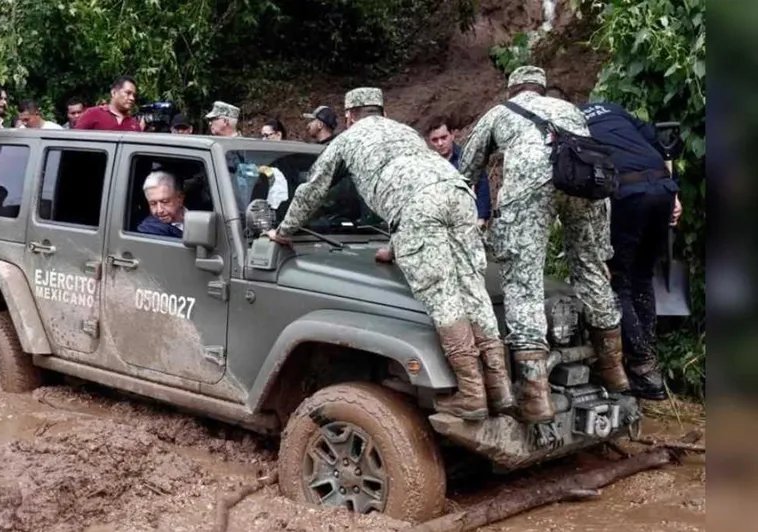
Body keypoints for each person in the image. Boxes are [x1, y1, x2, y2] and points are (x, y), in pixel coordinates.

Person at [266, 87, 513, 420]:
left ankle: (471, 394)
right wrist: (395, 247)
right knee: (472, 288)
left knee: (442, 297)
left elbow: (313, 191)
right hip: (459, 194)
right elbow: (417, 186)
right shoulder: (405, 132)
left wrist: (284, 231)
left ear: (350, 115)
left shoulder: (347, 140)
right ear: (382, 111)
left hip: (419, 209)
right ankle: (500, 388)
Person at [458, 65, 629, 423]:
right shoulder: (569, 110)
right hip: (585, 182)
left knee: (523, 280)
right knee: (592, 268)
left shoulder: (500, 113)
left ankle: (536, 398)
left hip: (532, 187)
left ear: (513, 90)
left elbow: (466, 170)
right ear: (542, 87)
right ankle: (615, 371)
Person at [580, 101, 682, 401]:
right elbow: (657, 142)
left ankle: (641, 367)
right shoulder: (613, 109)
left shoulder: (571, 120)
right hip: (662, 188)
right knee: (643, 276)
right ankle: (648, 357)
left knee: (619, 279)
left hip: (628, 193)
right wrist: (673, 192)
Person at [426, 116, 491, 227]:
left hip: (469, 222)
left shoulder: (469, 159)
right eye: (435, 140)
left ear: (452, 134)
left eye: (443, 137)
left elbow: (482, 189)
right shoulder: (427, 165)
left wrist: (481, 218)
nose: (440, 143)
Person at [74, 76, 143, 132]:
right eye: (128, 93)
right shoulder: (93, 114)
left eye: (134, 95)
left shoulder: (134, 125)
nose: (132, 98)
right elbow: (74, 142)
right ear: (113, 93)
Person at [137, 171, 185, 237]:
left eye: (165, 202)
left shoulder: (198, 209)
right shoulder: (149, 229)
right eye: (153, 203)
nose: (159, 210)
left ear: (180, 198)